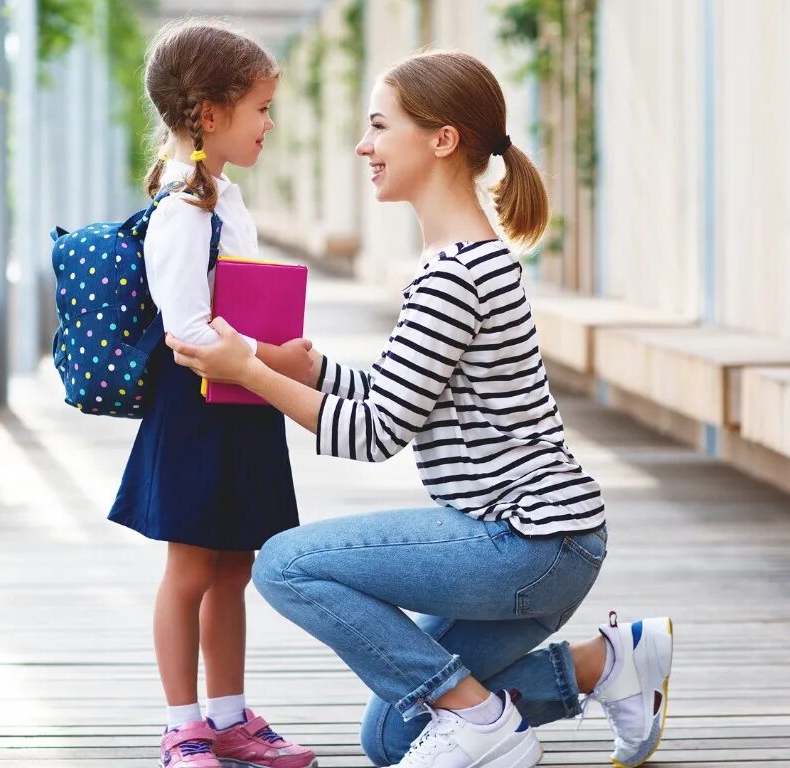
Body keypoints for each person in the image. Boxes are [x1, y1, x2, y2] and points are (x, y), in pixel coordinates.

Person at [166, 51, 674, 768]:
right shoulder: (466, 261)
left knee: (284, 564)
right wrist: (309, 368)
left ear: (442, 140)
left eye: (379, 126)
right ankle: (608, 666)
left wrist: (246, 369)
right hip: (548, 544)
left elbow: (374, 434)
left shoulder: (454, 275)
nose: (363, 146)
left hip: (524, 542)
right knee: (391, 736)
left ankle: (477, 717)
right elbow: (402, 393)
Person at [110, 19, 317, 768]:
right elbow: (187, 332)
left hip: (239, 407)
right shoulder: (181, 211)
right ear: (210, 114)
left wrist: (267, 359)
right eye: (260, 107)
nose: (268, 123)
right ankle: (181, 725)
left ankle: (230, 718)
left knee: (235, 567)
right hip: (198, 410)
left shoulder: (223, 199)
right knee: (190, 571)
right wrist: (275, 358)